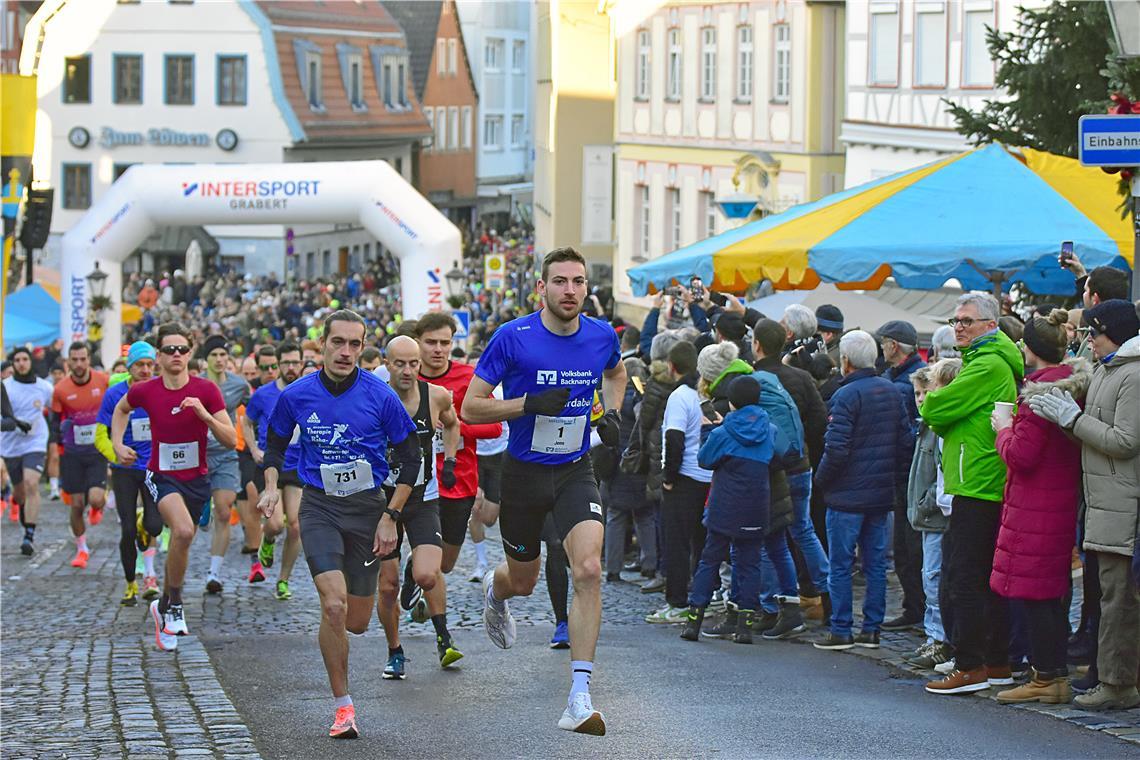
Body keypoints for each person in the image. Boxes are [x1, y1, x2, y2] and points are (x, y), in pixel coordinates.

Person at [461, 246, 626, 736]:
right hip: (524, 475)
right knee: (524, 580)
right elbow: (471, 408)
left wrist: (612, 412)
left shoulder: (601, 335)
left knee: (589, 568)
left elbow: (616, 372)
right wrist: (527, 403)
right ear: (542, 287)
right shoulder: (513, 339)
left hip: (575, 469)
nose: (570, 290)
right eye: (560, 281)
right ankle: (497, 588)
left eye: (578, 282)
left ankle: (579, 696)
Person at [258, 309, 420, 739]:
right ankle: (343, 707)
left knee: (356, 621)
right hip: (320, 507)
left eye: (355, 344)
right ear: (322, 345)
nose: (346, 352)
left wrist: (391, 515)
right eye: (338, 343)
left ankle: (338, 624)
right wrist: (271, 485)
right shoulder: (297, 394)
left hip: (368, 511)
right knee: (333, 606)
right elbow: (273, 444)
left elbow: (411, 459)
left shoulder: (380, 396)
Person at [1029, 299, 1140, 710]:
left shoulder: (1132, 374)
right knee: (1108, 597)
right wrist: (1067, 420)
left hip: (1122, 506)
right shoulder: (1110, 369)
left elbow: (1125, 442)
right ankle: (1109, 678)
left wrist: (1072, 420)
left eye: (1092, 332)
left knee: (1117, 600)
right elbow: (1098, 440)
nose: (1087, 340)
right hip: (1103, 503)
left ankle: (1117, 683)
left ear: (1110, 330)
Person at [921, 293, 1023, 695]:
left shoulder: (986, 364)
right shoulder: (984, 361)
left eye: (967, 320)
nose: (959, 326)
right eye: (956, 319)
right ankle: (995, 662)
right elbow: (943, 412)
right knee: (983, 578)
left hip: (978, 482)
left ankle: (971, 664)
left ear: (990, 325)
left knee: (965, 578)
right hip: (979, 477)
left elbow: (935, 407)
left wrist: (942, 411)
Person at [111, 323, 235, 652]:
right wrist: (117, 445)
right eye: (170, 350)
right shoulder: (146, 390)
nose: (177, 355)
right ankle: (176, 604)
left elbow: (231, 438)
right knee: (181, 532)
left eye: (182, 349)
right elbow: (121, 410)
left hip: (197, 479)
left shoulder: (206, 390)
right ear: (159, 356)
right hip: (161, 475)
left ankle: (163, 606)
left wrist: (204, 415)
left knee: (184, 542)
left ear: (190, 353)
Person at [989, 309, 1090, 706]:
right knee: (1050, 591)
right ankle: (1053, 674)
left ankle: (1046, 676)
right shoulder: (1069, 385)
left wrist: (1003, 429)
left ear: (1029, 349)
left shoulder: (1038, 394)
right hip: (1058, 499)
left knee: (1035, 595)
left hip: (1036, 505)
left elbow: (1022, 455)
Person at [812, 330, 914, 651]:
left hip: (846, 496)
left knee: (841, 564)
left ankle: (841, 629)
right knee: (876, 565)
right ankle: (872, 629)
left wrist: (821, 481)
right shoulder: (891, 391)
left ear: (845, 361)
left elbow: (837, 449)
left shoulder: (845, 396)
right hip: (880, 494)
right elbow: (904, 443)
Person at [376, 336, 461, 678]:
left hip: (424, 498)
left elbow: (453, 423)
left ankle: (444, 638)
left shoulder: (436, 396)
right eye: (400, 364)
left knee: (427, 573)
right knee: (387, 585)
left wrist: (450, 460)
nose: (408, 370)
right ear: (387, 363)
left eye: (414, 363)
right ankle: (394, 651)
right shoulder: (375, 398)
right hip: (384, 504)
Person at [413, 313, 503, 635]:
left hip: (459, 481)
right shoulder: (408, 379)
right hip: (418, 481)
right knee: (431, 563)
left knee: (446, 564)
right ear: (418, 342)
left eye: (445, 343)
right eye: (431, 342)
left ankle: (419, 572)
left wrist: (454, 424)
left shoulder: (468, 378)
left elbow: (494, 427)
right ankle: (441, 629)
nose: (438, 349)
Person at [679, 376, 775, 644]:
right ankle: (744, 626)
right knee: (750, 563)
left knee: (709, 560)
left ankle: (693, 621)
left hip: (725, 505)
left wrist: (708, 432)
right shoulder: (770, 429)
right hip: (756, 505)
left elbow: (705, 459)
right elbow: (781, 452)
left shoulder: (722, 433)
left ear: (732, 402)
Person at [751, 318, 831, 622]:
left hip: (768, 469)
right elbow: (819, 422)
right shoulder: (801, 377)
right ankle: (827, 594)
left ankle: (770, 605)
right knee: (804, 530)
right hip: (800, 464)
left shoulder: (752, 379)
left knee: (768, 537)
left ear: (756, 344)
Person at [644, 341, 712, 625]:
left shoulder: (679, 396)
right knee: (702, 542)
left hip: (684, 478)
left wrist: (668, 478)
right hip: (707, 476)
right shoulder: (704, 394)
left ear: (671, 367)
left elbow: (674, 438)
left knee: (676, 544)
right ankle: (702, 599)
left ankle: (677, 602)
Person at [96, 341, 163, 606]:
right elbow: (100, 433)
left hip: (152, 467)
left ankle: (143, 525)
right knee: (126, 530)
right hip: (123, 469)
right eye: (139, 365)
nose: (145, 370)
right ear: (130, 367)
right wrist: (116, 452)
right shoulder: (114, 394)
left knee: (155, 525)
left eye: (149, 365)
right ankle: (130, 583)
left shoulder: (161, 390)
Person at [903, 361, 958, 671]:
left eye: (926, 392)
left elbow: (941, 474)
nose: (921, 399)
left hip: (936, 514)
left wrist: (925, 503)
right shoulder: (924, 425)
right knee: (929, 574)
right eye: (918, 393)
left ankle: (940, 638)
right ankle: (933, 635)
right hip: (927, 514)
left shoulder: (938, 428)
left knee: (935, 576)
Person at [876, 320, 927, 631]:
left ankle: (917, 607)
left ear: (893, 346)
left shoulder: (910, 382)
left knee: (911, 548)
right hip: (901, 473)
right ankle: (914, 606)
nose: (882, 349)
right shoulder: (895, 377)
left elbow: (911, 431)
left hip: (909, 474)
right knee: (905, 549)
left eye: (884, 344)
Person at [244, 341, 305, 596]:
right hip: (269, 463)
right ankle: (267, 540)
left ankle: (283, 580)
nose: (291, 368)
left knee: (296, 525)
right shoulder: (263, 394)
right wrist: (253, 450)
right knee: (275, 524)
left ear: (302, 364)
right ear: (278, 365)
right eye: (286, 363)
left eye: (295, 363)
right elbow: (246, 423)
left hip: (297, 464)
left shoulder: (309, 391)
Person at [52, 342, 110, 569]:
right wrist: (57, 444)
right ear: (68, 361)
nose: (78, 364)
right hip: (72, 453)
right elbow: (55, 423)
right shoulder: (61, 389)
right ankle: (82, 548)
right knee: (76, 504)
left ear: (88, 360)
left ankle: (98, 507)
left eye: (82, 359)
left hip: (96, 450)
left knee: (95, 498)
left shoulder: (103, 381)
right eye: (74, 360)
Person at [202, 335, 252, 594]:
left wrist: (252, 444)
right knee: (191, 517)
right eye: (214, 356)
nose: (220, 360)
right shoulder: (195, 383)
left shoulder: (238, 385)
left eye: (224, 355)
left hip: (225, 454)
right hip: (196, 455)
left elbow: (251, 414)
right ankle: (201, 508)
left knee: (223, 510)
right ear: (206, 359)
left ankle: (214, 573)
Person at [2, 348, 53, 556]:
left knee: (32, 484)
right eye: (17, 360)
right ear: (12, 364)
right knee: (20, 493)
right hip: (10, 445)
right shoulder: (5, 387)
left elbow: (56, 411)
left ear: (31, 361)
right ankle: (21, 509)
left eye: (25, 359)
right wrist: (10, 423)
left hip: (35, 442)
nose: (21, 363)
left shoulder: (45, 388)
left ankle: (29, 536)